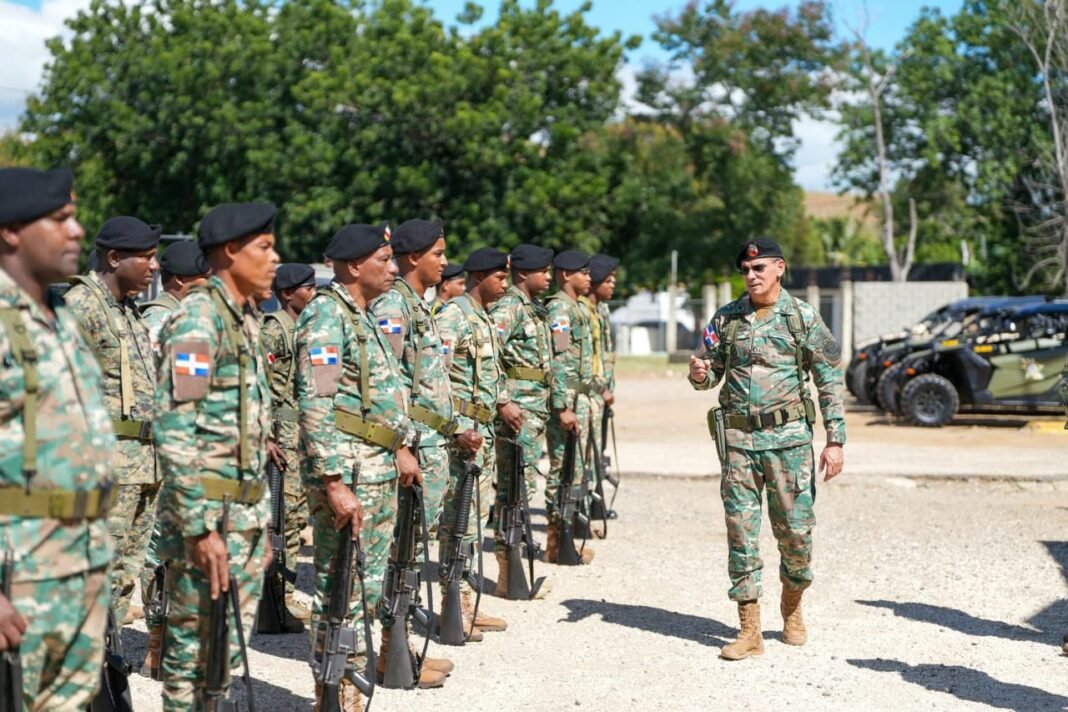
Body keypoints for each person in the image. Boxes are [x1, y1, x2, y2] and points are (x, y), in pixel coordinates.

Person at [295, 223, 448, 708]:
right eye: (383, 260)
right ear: (353, 265)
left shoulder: (360, 316)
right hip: (350, 473)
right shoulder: (326, 316)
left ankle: (352, 687)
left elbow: (377, 399)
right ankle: (334, 694)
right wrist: (333, 481)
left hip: (376, 467)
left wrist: (399, 446)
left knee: (365, 585)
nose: (392, 267)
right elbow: (316, 401)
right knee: (339, 589)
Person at [688, 237, 845, 661]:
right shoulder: (726, 319)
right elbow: (709, 374)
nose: (751, 275)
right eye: (745, 270)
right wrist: (700, 373)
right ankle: (749, 629)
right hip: (739, 444)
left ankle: (792, 607)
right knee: (741, 533)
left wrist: (835, 440)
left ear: (780, 268)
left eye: (759, 268)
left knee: (795, 533)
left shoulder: (801, 317)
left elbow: (829, 378)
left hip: (789, 443)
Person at [0, 166, 117, 709]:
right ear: (11, 231)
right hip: (20, 576)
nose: (77, 231)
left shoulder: (61, 319)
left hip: (79, 565)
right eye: (60, 219)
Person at [153, 202, 278, 708]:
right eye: (264, 248)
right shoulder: (199, 320)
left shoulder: (242, 318)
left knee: (222, 660)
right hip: (207, 519)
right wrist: (199, 529)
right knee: (192, 662)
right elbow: (174, 427)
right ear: (230, 251)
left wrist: (258, 524)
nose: (274, 259)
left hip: (240, 517)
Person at [368, 218, 476, 679]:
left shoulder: (419, 306)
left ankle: (402, 645)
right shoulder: (393, 306)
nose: (445, 262)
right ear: (414, 257)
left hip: (431, 444)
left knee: (411, 549)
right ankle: (392, 651)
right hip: (412, 446)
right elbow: (384, 383)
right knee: (401, 551)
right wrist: (399, 446)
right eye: (438, 253)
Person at [65, 216, 161, 626]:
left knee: (122, 575)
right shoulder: (81, 307)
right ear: (115, 257)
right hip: (104, 467)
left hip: (140, 465)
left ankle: (108, 654)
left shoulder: (127, 310)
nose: (154, 266)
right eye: (147, 257)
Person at [138, 238, 211, 678]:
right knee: (160, 547)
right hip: (165, 450)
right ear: (182, 281)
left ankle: (166, 639)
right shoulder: (165, 321)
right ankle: (157, 642)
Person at [434, 247, 513, 636]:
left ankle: (466, 599)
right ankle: (454, 606)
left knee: (475, 522)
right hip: (462, 434)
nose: (506, 284)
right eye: (500, 277)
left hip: (482, 429)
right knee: (457, 521)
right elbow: (436, 376)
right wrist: (453, 429)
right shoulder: (453, 316)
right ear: (479, 276)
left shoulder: (482, 317)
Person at [490, 243, 554, 593]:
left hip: (533, 411)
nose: (549, 276)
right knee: (512, 490)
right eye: (543, 270)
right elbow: (487, 355)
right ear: (524, 273)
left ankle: (513, 569)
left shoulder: (534, 309)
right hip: (516, 412)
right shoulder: (509, 308)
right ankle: (507, 569)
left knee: (523, 487)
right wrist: (502, 400)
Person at [261, 262, 318, 629]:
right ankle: (277, 599)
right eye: (308, 288)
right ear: (287, 293)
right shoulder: (274, 329)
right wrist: (265, 436)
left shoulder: (307, 328)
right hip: (282, 433)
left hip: (301, 432)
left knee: (296, 516)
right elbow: (260, 385)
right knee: (282, 516)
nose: (313, 294)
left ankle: (285, 596)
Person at [543, 249, 596, 564]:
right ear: (565, 274)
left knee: (574, 469)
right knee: (562, 468)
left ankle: (566, 538)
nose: (589, 278)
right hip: (568, 400)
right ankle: (555, 541)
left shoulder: (576, 307)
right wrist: (562, 406)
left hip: (579, 397)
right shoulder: (560, 310)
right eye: (583, 272)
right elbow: (558, 359)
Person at [577, 253, 619, 529]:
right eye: (609, 279)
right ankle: (581, 509)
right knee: (583, 455)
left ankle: (593, 501)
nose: (613, 284)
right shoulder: (582, 311)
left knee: (596, 450)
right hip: (588, 391)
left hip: (600, 389)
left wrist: (607, 385)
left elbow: (604, 353)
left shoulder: (600, 309)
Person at [141, 239, 211, 355]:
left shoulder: (185, 312)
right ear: (179, 279)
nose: (211, 283)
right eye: (206, 277)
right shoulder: (160, 319)